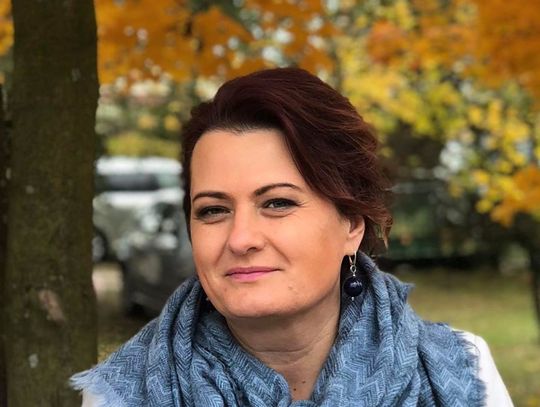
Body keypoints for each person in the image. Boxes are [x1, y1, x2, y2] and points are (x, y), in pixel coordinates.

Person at [72, 67, 513, 406]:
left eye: (277, 203)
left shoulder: (461, 371)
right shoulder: (125, 392)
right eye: (213, 210)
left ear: (352, 224)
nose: (241, 238)